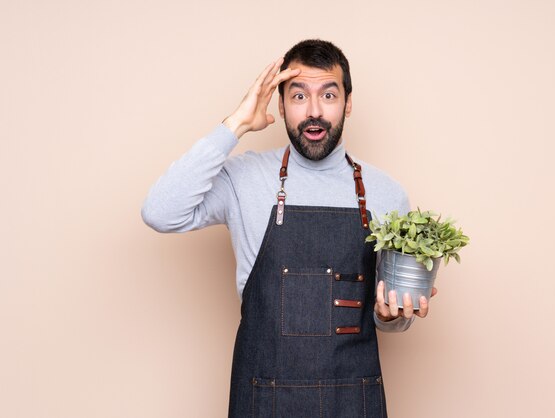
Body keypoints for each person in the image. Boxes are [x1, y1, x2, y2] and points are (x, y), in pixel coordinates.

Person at [142, 39, 437, 418]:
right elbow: (160, 211)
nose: (314, 111)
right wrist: (235, 125)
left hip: (353, 399)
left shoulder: (385, 193)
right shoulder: (245, 178)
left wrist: (393, 316)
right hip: (264, 398)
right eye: (299, 96)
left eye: (328, 95)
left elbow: (390, 316)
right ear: (280, 106)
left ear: (348, 102)